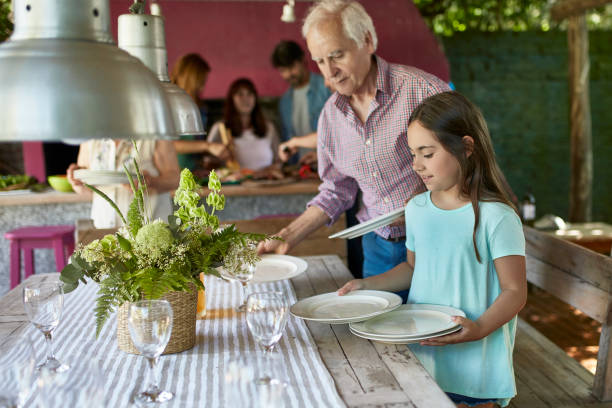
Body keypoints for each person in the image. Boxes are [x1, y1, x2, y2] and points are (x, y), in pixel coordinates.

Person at [338, 91, 527, 408]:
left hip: (477, 370)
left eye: (427, 153)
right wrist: (365, 284)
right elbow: (413, 268)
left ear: (466, 147)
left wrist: (479, 328)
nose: (416, 165)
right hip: (424, 357)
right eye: (413, 154)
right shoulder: (417, 208)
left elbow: (514, 291)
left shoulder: (498, 217)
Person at [258, 0, 450, 283]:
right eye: (320, 61)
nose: (329, 71)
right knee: (378, 327)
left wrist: (426, 202)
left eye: (336, 56)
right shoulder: (329, 118)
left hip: (441, 242)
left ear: (368, 41)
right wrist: (286, 237)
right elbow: (336, 190)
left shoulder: (424, 91)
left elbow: (470, 164)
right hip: (379, 249)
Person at [66, 139, 180, 229]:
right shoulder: (90, 139)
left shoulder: (153, 133)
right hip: (104, 229)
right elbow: (86, 191)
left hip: (151, 229)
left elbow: (175, 179)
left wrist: (151, 181)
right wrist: (77, 182)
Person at [170, 53, 232, 171]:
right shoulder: (169, 103)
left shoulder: (200, 107)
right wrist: (208, 146)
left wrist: (216, 152)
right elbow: (168, 145)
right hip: (175, 173)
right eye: (201, 82)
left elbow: (196, 145)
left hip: (195, 172)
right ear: (190, 78)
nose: (202, 88)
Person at [271, 40, 331, 162]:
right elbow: (287, 139)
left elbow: (335, 132)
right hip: (301, 168)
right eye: (283, 70)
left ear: (303, 60)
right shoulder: (285, 102)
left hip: (329, 164)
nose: (288, 74)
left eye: (292, 67)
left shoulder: (326, 87)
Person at [207, 78, 280, 171]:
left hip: (266, 183)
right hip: (234, 184)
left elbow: (279, 159)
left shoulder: (269, 127)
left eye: (250, 94)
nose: (246, 99)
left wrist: (274, 169)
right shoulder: (220, 128)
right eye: (240, 94)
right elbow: (208, 163)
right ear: (232, 99)